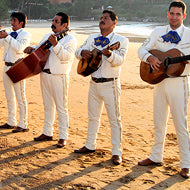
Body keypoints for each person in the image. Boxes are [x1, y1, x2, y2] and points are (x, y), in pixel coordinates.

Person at [138, 0, 190, 178]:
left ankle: (186, 164)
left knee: (180, 124)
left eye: (178, 14)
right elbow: (141, 49)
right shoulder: (157, 32)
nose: (174, 17)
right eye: (172, 13)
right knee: (159, 121)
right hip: (159, 81)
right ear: (168, 14)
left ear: (184, 16)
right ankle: (156, 156)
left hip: (179, 82)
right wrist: (149, 58)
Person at [74, 10, 129, 165]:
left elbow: (120, 60)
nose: (102, 20)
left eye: (106, 18)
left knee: (114, 119)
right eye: (101, 18)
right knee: (93, 116)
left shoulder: (121, 40)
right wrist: (82, 52)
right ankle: (90, 144)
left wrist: (110, 54)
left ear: (114, 23)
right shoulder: (92, 38)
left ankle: (117, 152)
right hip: (93, 82)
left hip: (110, 84)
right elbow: (78, 51)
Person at [24, 12, 77, 148]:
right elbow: (39, 49)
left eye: (56, 21)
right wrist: (31, 49)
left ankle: (63, 136)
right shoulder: (48, 36)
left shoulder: (70, 39)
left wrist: (56, 45)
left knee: (61, 107)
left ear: (64, 25)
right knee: (48, 106)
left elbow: (66, 57)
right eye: (53, 20)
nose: (53, 23)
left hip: (59, 76)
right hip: (45, 74)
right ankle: (47, 132)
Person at [0, 12, 31, 133]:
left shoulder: (26, 34)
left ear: (21, 23)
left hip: (18, 67)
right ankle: (11, 121)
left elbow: (19, 48)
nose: (11, 23)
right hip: (6, 66)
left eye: (14, 21)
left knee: (20, 97)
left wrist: (7, 36)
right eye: (12, 20)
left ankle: (23, 123)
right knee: (9, 96)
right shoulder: (8, 34)